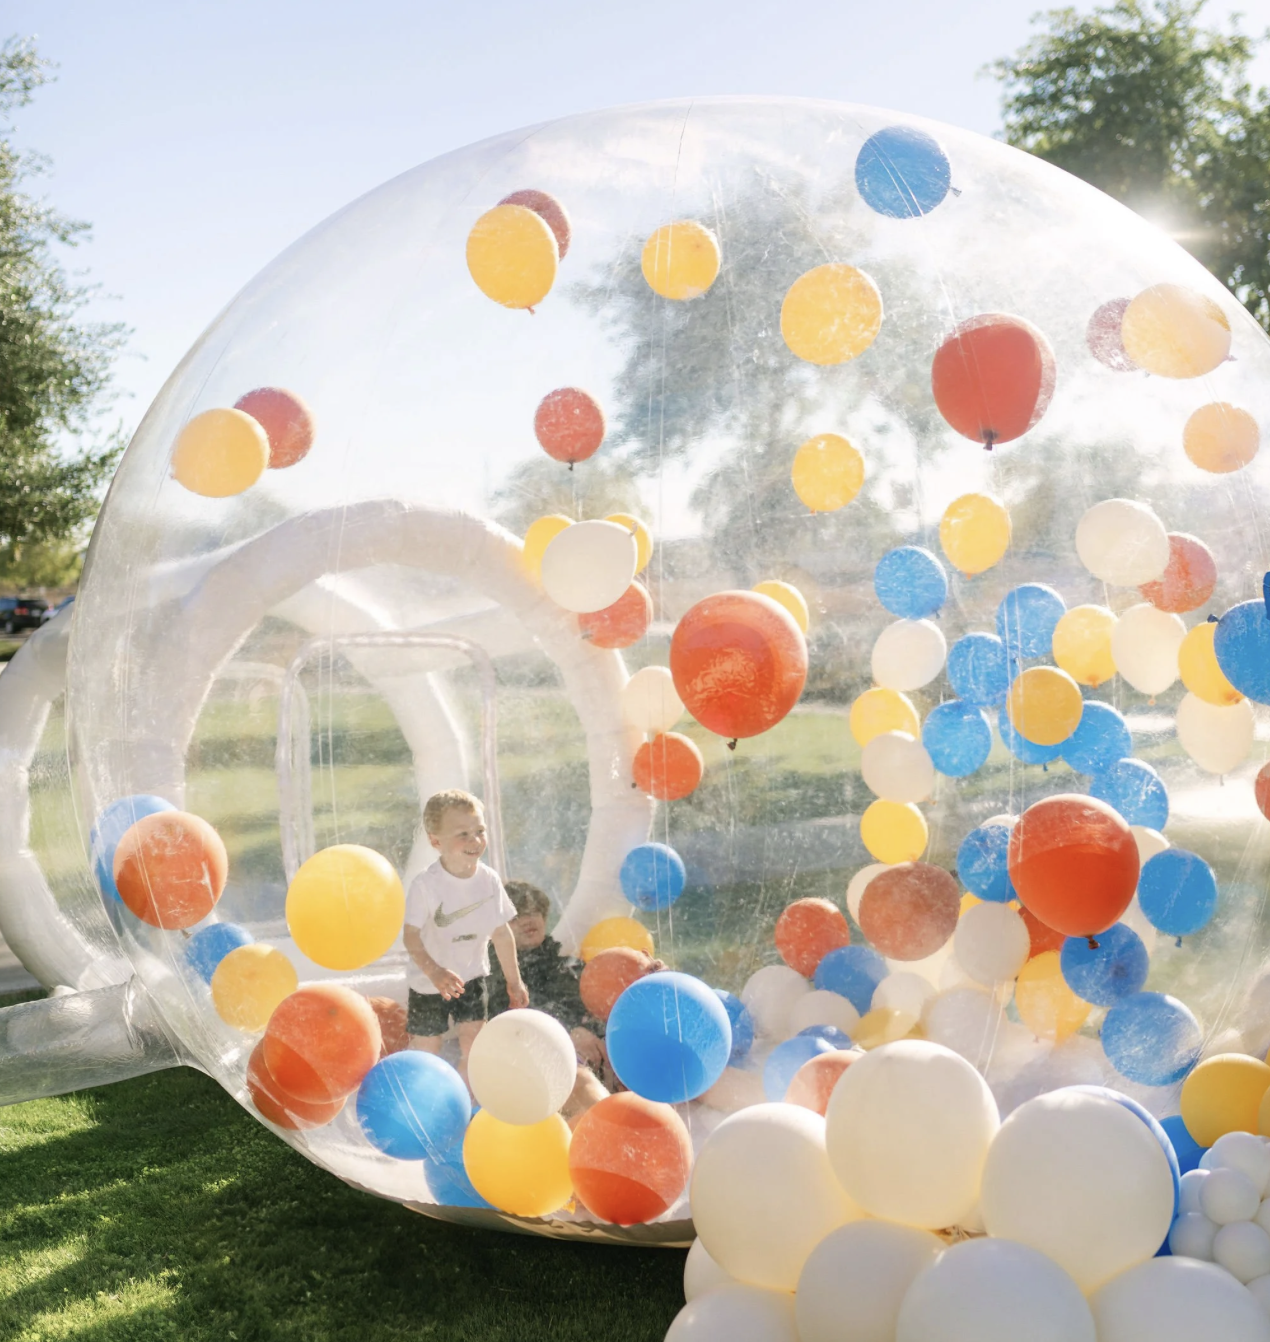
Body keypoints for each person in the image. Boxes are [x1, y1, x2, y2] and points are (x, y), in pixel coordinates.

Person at [402, 789, 527, 1070]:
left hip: (471, 974)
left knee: (475, 1043)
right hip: (428, 981)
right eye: (463, 834)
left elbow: (501, 934)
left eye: (480, 831)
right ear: (435, 841)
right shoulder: (426, 885)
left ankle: (469, 1098)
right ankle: (427, 1093)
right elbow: (410, 937)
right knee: (427, 1047)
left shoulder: (488, 880)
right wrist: (434, 971)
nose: (475, 840)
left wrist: (514, 980)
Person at [488, 879, 609, 1119]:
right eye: (515, 917)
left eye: (534, 912)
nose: (527, 921)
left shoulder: (564, 965)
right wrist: (569, 1033)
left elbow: (600, 998)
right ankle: (620, 1131)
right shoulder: (497, 974)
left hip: (588, 1061)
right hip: (534, 1064)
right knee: (580, 1079)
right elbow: (519, 1018)